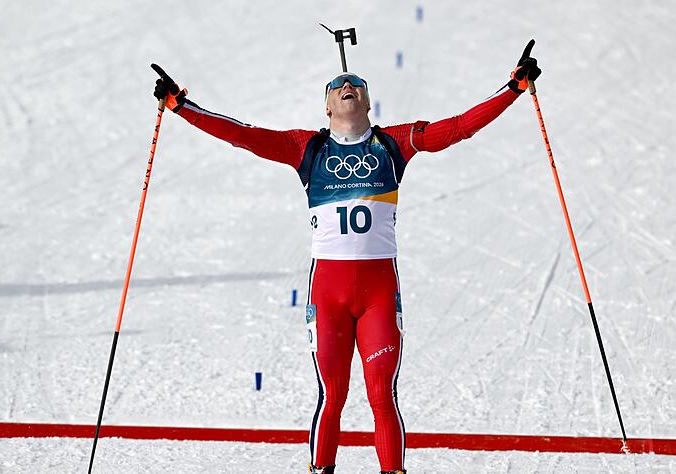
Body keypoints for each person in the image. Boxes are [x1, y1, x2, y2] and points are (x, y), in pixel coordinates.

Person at [153, 40, 541, 474]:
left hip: (378, 295)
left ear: (368, 102)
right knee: (332, 396)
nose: (347, 86)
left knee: (382, 396)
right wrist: (181, 107)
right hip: (329, 295)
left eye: (356, 83)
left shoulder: (394, 143)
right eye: (337, 85)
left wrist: (513, 89)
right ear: (327, 107)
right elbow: (243, 135)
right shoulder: (307, 148)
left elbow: (459, 127)